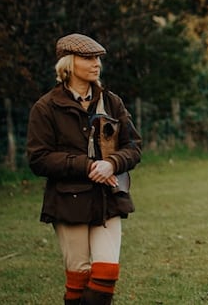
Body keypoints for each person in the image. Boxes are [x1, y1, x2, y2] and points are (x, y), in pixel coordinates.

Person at [27, 33, 142, 305]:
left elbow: (133, 147)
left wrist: (112, 163)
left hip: (109, 199)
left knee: (106, 274)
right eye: (88, 58)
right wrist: (88, 165)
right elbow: (39, 158)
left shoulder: (112, 102)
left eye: (98, 59)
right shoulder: (45, 108)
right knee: (78, 280)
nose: (96, 64)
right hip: (69, 201)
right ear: (68, 64)